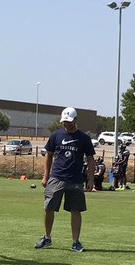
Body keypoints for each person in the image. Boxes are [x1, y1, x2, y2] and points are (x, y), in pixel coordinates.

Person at [36, 107, 95, 252]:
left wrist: (90, 179)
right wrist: (45, 175)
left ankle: (76, 242)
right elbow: (48, 155)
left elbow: (90, 159)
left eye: (69, 122)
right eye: (64, 121)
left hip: (75, 179)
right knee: (49, 207)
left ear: (75, 120)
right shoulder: (56, 135)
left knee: (76, 210)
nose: (66, 124)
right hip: (56, 177)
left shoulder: (84, 138)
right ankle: (47, 237)